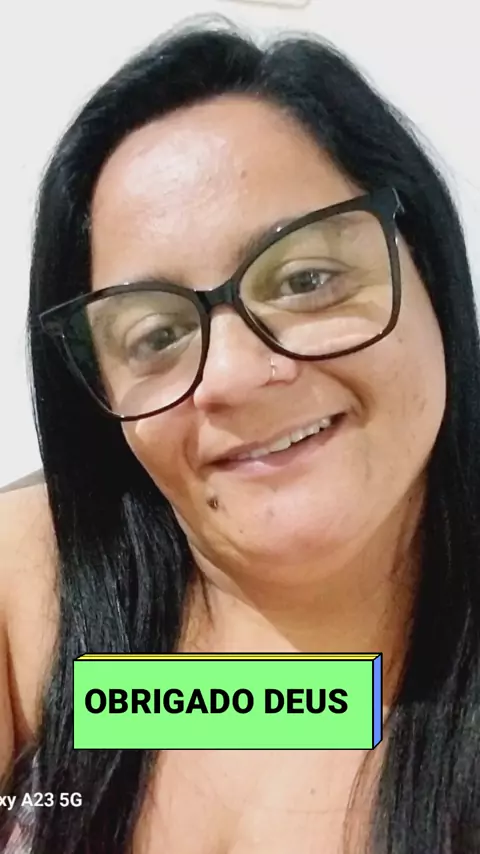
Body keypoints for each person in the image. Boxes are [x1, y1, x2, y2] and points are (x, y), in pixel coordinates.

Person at [0, 15, 479, 854]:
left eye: (306, 279)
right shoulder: (36, 581)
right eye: (155, 334)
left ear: (428, 268)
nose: (231, 374)